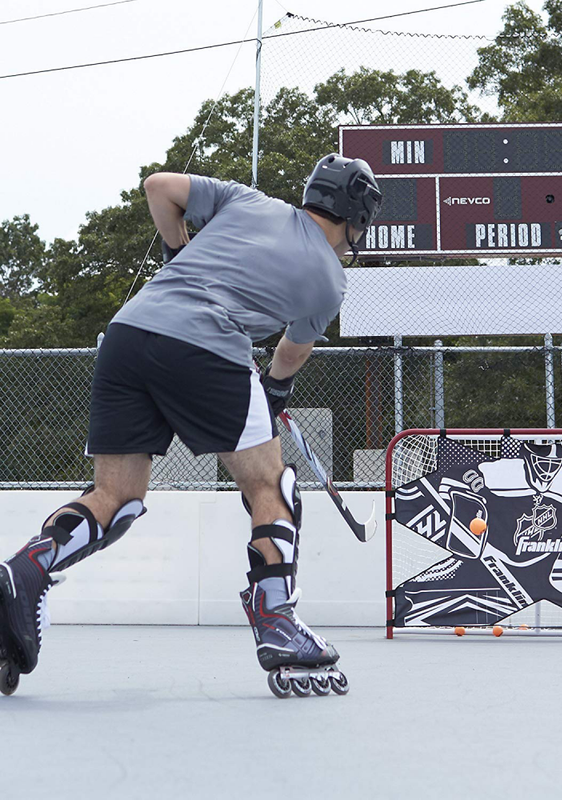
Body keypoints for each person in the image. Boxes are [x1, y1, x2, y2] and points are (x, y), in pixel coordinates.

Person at [0, 153, 382, 696]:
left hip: (128, 334)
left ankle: (25, 570)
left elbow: (158, 187)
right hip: (206, 347)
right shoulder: (330, 280)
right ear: (355, 217)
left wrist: (178, 250)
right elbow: (291, 354)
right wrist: (271, 393)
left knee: (117, 498)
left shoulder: (251, 201)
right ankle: (277, 621)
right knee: (271, 485)